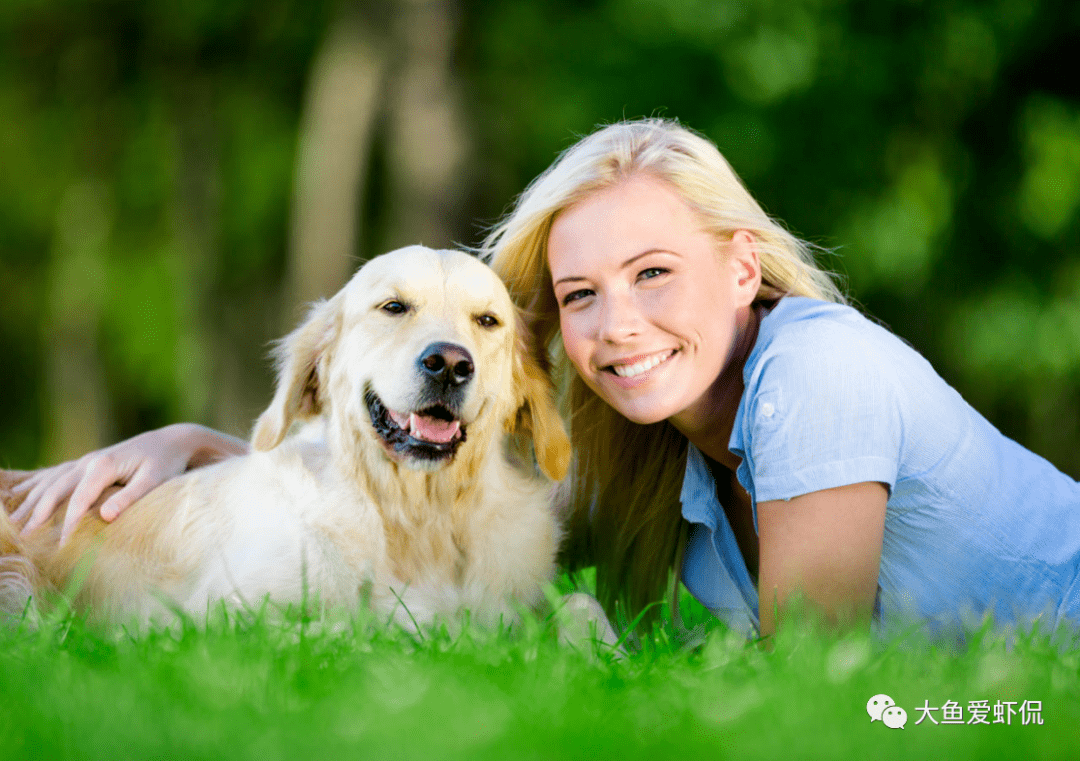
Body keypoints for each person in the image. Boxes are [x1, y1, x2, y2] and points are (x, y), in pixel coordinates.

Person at [13, 118, 1080, 642]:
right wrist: (194, 449)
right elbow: (444, 503)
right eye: (580, 296)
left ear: (743, 265)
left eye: (654, 274)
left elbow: (826, 689)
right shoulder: (668, 452)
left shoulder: (820, 370)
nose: (619, 327)